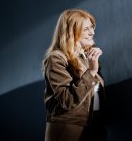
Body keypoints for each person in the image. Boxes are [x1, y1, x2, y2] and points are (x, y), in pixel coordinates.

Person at [43, 8, 107, 141]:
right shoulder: (56, 58)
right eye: (86, 29)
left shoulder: (85, 58)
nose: (92, 32)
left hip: (92, 126)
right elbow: (67, 100)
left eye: (92, 27)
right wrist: (92, 72)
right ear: (71, 32)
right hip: (69, 125)